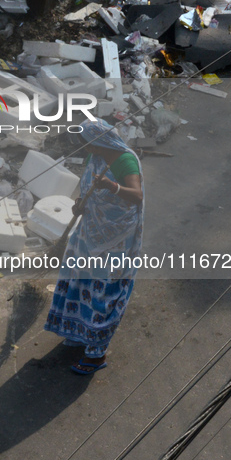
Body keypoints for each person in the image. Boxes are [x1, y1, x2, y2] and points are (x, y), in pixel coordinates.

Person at [44, 118, 144, 375]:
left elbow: (136, 195)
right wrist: (79, 203)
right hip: (89, 231)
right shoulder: (95, 157)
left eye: (88, 144)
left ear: (100, 142)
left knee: (102, 292)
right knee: (78, 281)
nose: (86, 149)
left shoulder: (125, 160)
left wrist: (112, 186)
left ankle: (96, 355)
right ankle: (78, 332)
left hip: (115, 236)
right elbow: (86, 185)